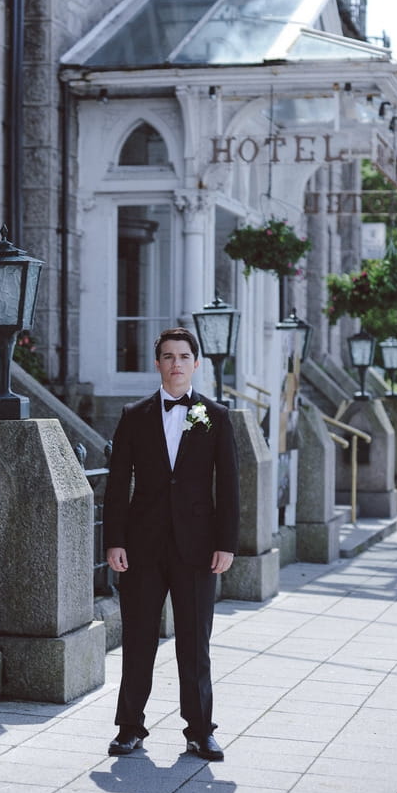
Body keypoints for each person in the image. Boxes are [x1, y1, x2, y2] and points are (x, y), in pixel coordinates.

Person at [103, 326, 240, 762]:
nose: (176, 363)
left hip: (198, 548)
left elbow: (231, 486)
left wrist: (227, 544)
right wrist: (114, 541)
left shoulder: (216, 416)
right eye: (168, 356)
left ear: (195, 364)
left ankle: (200, 731)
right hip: (142, 547)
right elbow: (118, 483)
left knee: (194, 645)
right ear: (158, 363)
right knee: (138, 640)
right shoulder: (133, 414)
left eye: (184, 356)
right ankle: (129, 728)